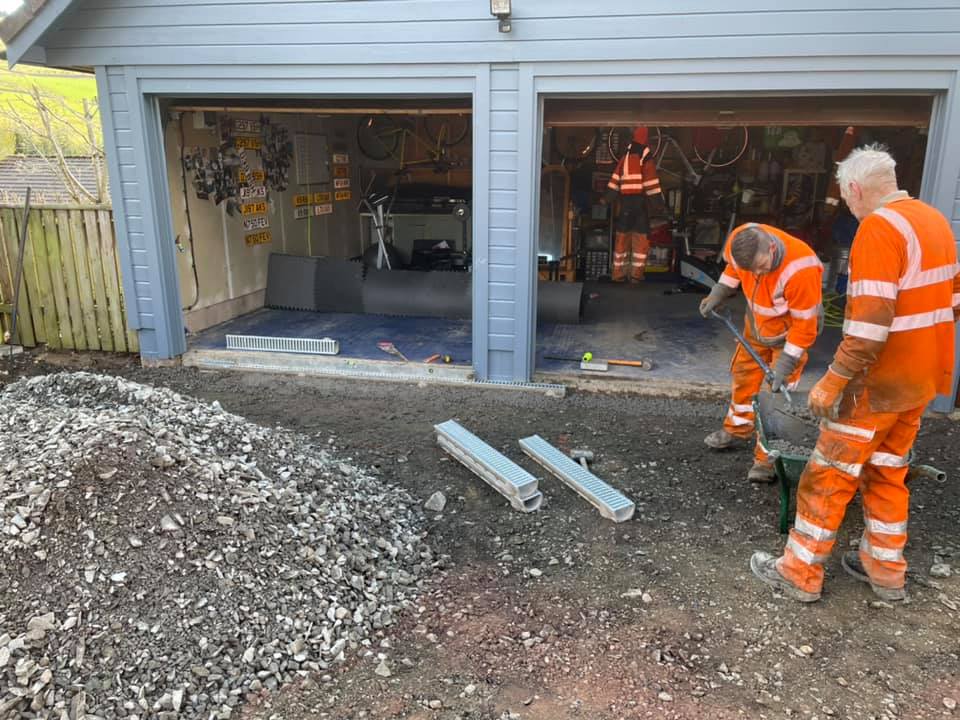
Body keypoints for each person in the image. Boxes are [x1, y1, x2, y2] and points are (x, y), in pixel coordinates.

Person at [751, 144, 960, 603]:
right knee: (887, 473)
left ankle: (799, 572)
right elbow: (953, 301)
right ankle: (884, 570)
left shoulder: (879, 229)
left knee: (829, 473)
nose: (849, 205)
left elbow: (867, 329)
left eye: (846, 198)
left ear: (855, 188)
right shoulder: (935, 222)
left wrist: (833, 380)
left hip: (876, 383)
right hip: (919, 382)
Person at [699, 223, 823, 482]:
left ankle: (766, 460)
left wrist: (786, 365)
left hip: (790, 334)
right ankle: (738, 428)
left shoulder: (802, 270)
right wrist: (718, 293)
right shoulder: (740, 241)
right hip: (756, 325)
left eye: (762, 267)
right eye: (751, 270)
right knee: (744, 377)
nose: (757, 273)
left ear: (773, 247)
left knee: (774, 396)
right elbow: (733, 270)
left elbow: (805, 328)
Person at [602, 127, 667, 282]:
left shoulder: (626, 153)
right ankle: (636, 276)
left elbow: (616, 176)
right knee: (640, 241)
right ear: (645, 136)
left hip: (625, 204)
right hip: (639, 204)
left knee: (622, 239)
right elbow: (650, 180)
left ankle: (618, 275)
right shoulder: (645, 153)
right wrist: (659, 204)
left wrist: (607, 198)